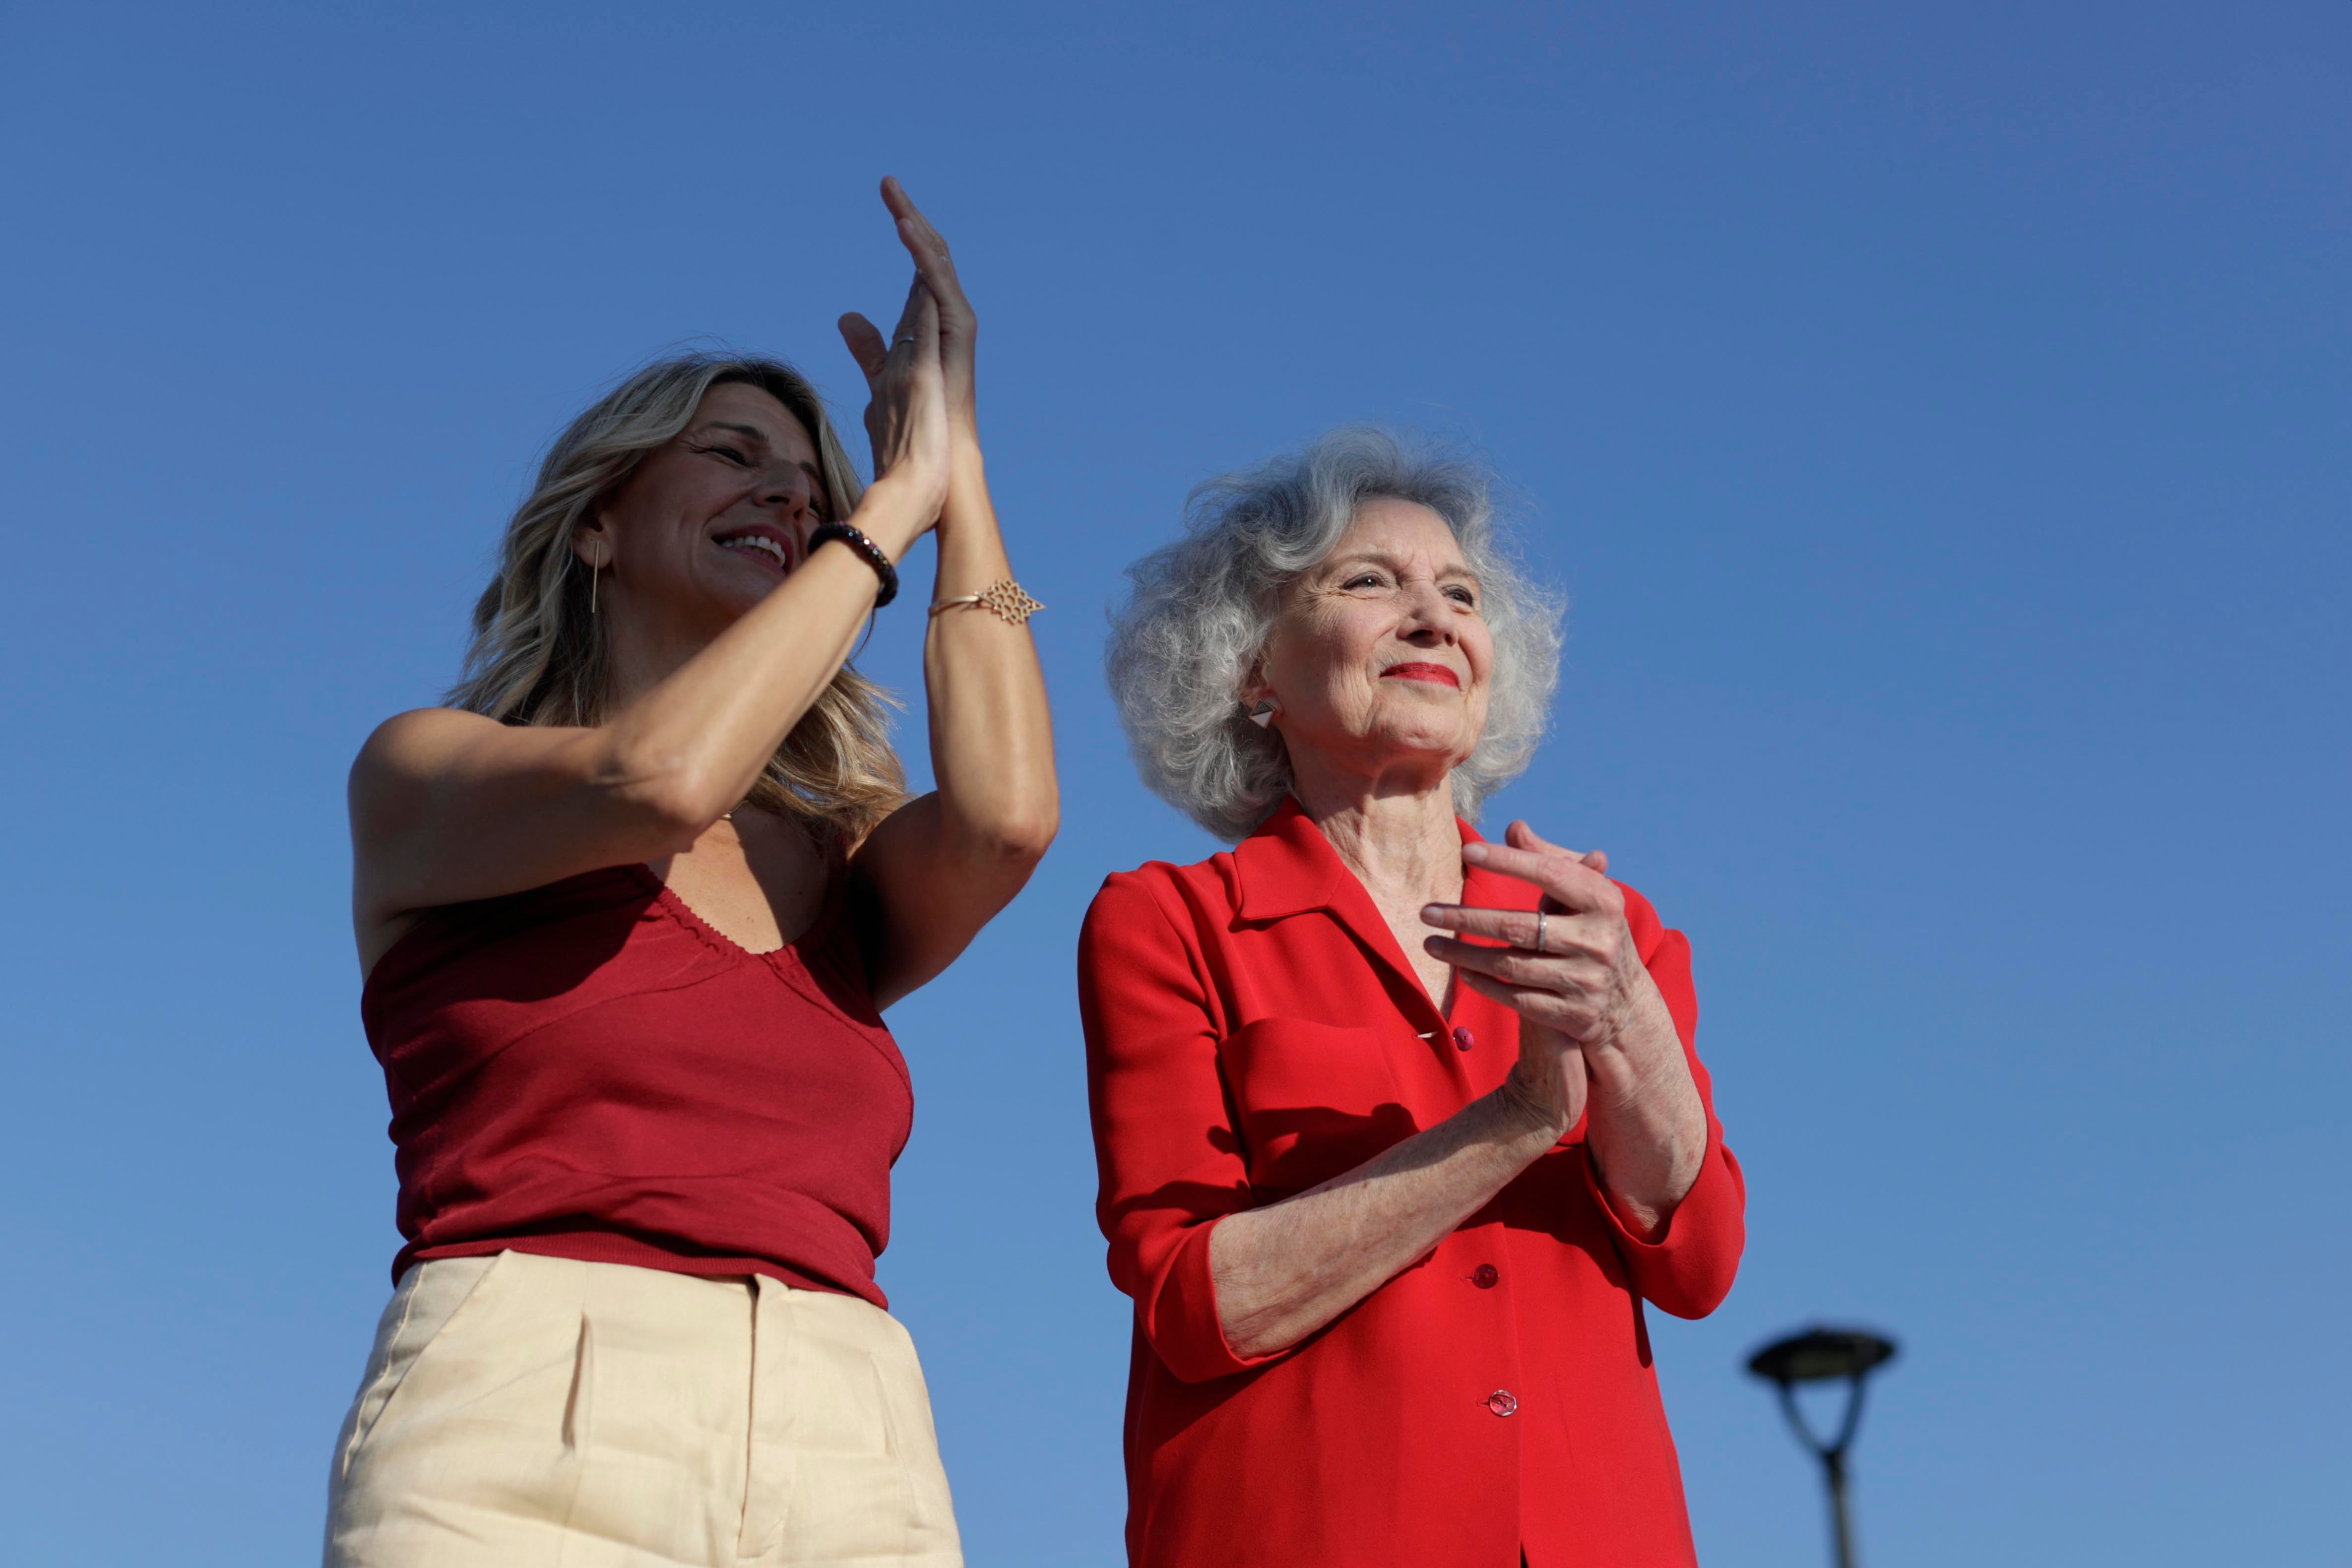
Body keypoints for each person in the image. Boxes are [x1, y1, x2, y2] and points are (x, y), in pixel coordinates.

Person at [324, 180, 1054, 1568]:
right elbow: (658, 781)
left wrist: (959, 490)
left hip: (853, 1432)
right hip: (525, 1414)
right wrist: (882, 511)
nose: (787, 488)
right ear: (596, 522)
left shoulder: (835, 856)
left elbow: (1008, 818)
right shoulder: (427, 770)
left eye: (809, 479)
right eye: (731, 454)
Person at [1081, 429, 1745, 1568]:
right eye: (1368, 582)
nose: (1432, 617)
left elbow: (1699, 1266)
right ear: (1252, 668)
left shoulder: (1607, 933)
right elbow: (1200, 1308)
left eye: (1460, 595)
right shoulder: (1171, 923)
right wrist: (1520, 1119)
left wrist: (1627, 1017)